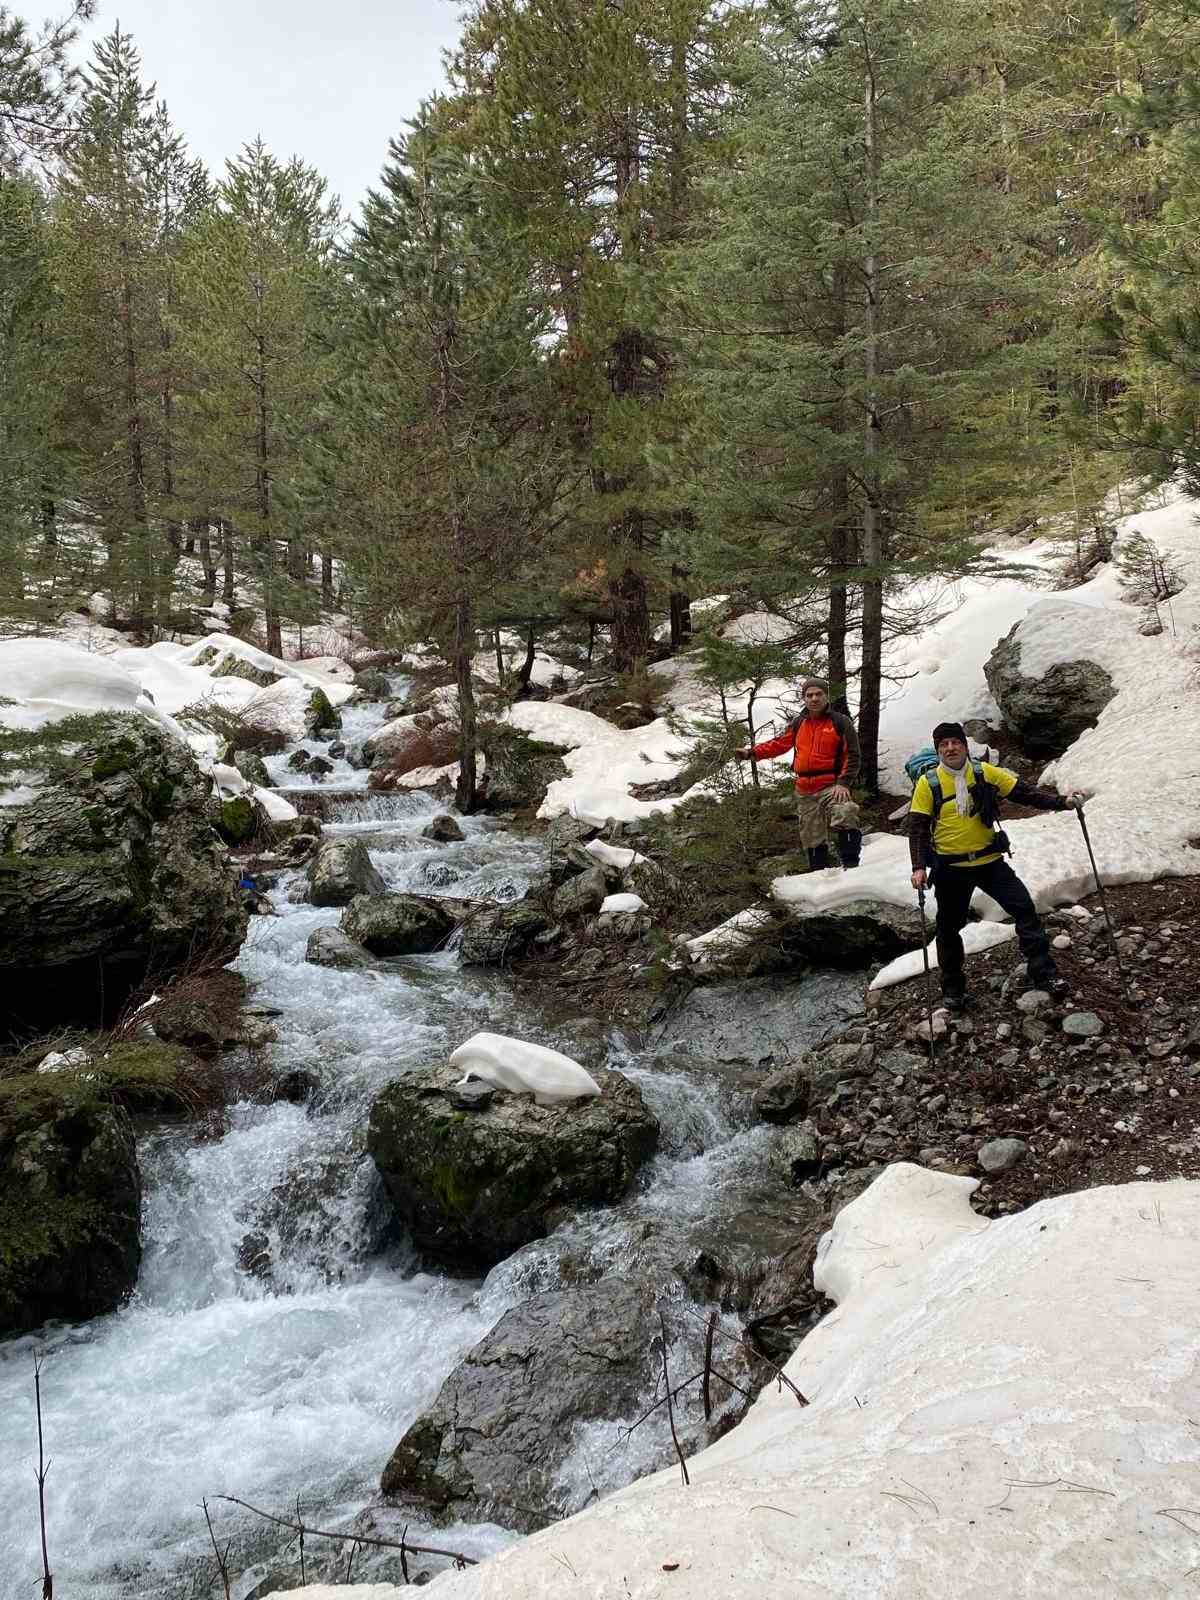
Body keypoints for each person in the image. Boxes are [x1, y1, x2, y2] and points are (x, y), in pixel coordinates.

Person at [908, 721, 1084, 1010]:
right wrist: (918, 867)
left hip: (990, 862)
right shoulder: (929, 783)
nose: (950, 748)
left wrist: (1061, 802)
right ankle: (953, 991)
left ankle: (1044, 974)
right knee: (948, 929)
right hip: (951, 869)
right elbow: (917, 828)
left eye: (955, 742)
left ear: (964, 746)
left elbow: (1023, 793)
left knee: (1025, 909)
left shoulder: (983, 772)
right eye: (944, 745)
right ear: (938, 750)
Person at [734, 678, 863, 871]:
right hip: (804, 788)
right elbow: (779, 744)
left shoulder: (840, 722)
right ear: (803, 698)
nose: (814, 699)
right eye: (809, 695)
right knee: (811, 834)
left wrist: (843, 783)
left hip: (832, 784)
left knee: (845, 812)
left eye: (818, 694)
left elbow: (853, 754)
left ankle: (852, 865)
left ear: (826, 696)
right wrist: (751, 753)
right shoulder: (798, 723)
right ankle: (819, 874)